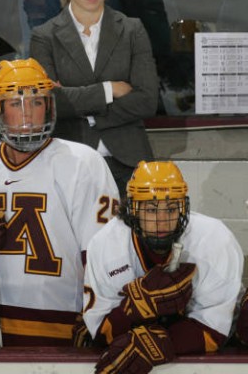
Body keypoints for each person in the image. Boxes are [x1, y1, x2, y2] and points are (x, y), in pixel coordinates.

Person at [0, 58, 119, 346]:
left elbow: (103, 255)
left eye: (37, 102)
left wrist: (101, 316)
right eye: (16, 104)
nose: (28, 114)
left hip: (61, 326)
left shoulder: (83, 162)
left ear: (50, 106)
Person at [83, 160, 244, 373]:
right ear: (132, 210)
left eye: (171, 208)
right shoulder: (105, 244)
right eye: (150, 209)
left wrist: (155, 343)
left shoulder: (214, 240)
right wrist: (133, 310)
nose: (162, 220)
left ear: (183, 208)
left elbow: (213, 330)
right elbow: (102, 331)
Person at [30, 0, 159, 198]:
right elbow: (51, 104)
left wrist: (84, 110)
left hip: (130, 162)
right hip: (69, 160)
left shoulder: (132, 29)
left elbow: (147, 101)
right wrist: (109, 90)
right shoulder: (44, 37)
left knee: (131, 239)